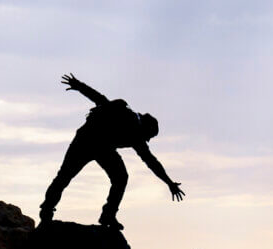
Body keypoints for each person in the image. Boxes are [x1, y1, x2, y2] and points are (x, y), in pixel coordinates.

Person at [39, 73, 185, 229]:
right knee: (65, 175)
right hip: (85, 141)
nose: (145, 140)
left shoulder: (137, 135)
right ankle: (48, 210)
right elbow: (100, 99)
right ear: (146, 128)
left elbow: (151, 161)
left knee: (120, 177)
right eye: (148, 136)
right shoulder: (125, 115)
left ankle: (108, 215)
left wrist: (169, 182)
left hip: (102, 148)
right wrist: (79, 85)